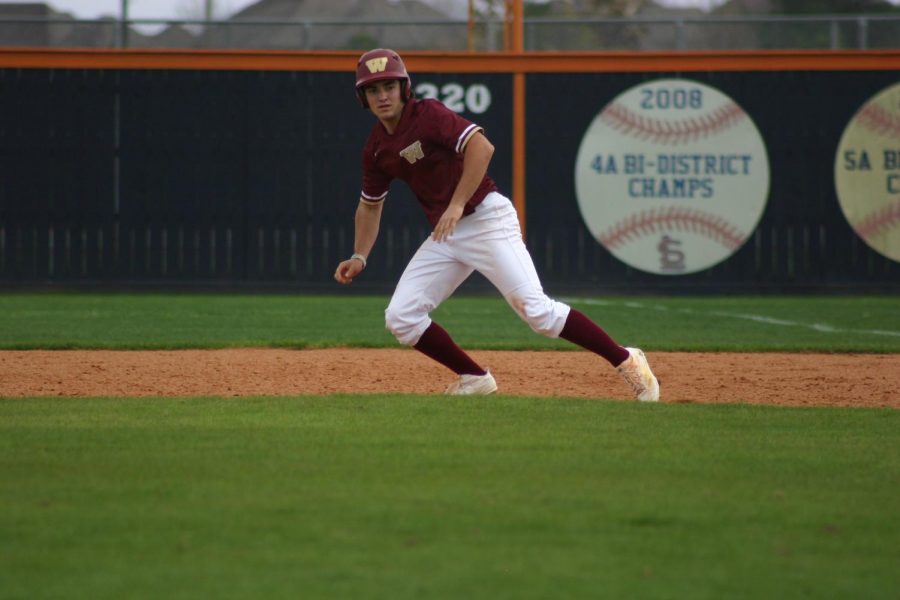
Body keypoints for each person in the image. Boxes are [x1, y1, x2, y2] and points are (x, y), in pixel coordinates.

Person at [334, 48, 659, 400]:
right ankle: (474, 377)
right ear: (362, 97)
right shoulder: (377, 148)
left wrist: (456, 204)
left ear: (404, 87)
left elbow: (482, 147)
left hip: (487, 218)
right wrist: (360, 256)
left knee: (539, 314)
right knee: (401, 317)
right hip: (448, 233)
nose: (382, 95)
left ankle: (627, 359)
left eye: (388, 86)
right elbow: (369, 206)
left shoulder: (427, 115)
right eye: (372, 89)